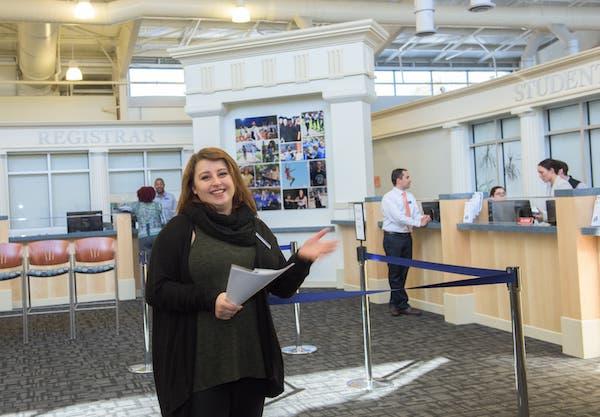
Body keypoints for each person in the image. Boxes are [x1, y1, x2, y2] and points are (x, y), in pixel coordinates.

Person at [145, 147, 336, 417]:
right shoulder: (179, 230)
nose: (216, 182)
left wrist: (303, 258)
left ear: (234, 179)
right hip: (201, 366)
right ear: (194, 188)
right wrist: (211, 300)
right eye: (206, 177)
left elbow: (281, 288)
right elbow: (156, 290)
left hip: (250, 359)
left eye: (222, 174)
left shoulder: (255, 228)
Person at [381, 168, 431, 317]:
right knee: (395, 271)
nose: (410, 179)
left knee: (403, 271)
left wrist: (422, 218)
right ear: (399, 179)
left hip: (406, 237)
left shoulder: (410, 196)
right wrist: (417, 222)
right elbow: (398, 218)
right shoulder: (388, 198)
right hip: (392, 238)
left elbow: (415, 213)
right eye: (407, 177)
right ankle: (403, 304)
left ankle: (394, 303)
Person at [131, 186, 164, 253]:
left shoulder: (136, 206)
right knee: (158, 259)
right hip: (157, 235)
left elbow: (122, 208)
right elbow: (164, 221)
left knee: (144, 259)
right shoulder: (158, 205)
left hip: (143, 236)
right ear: (153, 195)